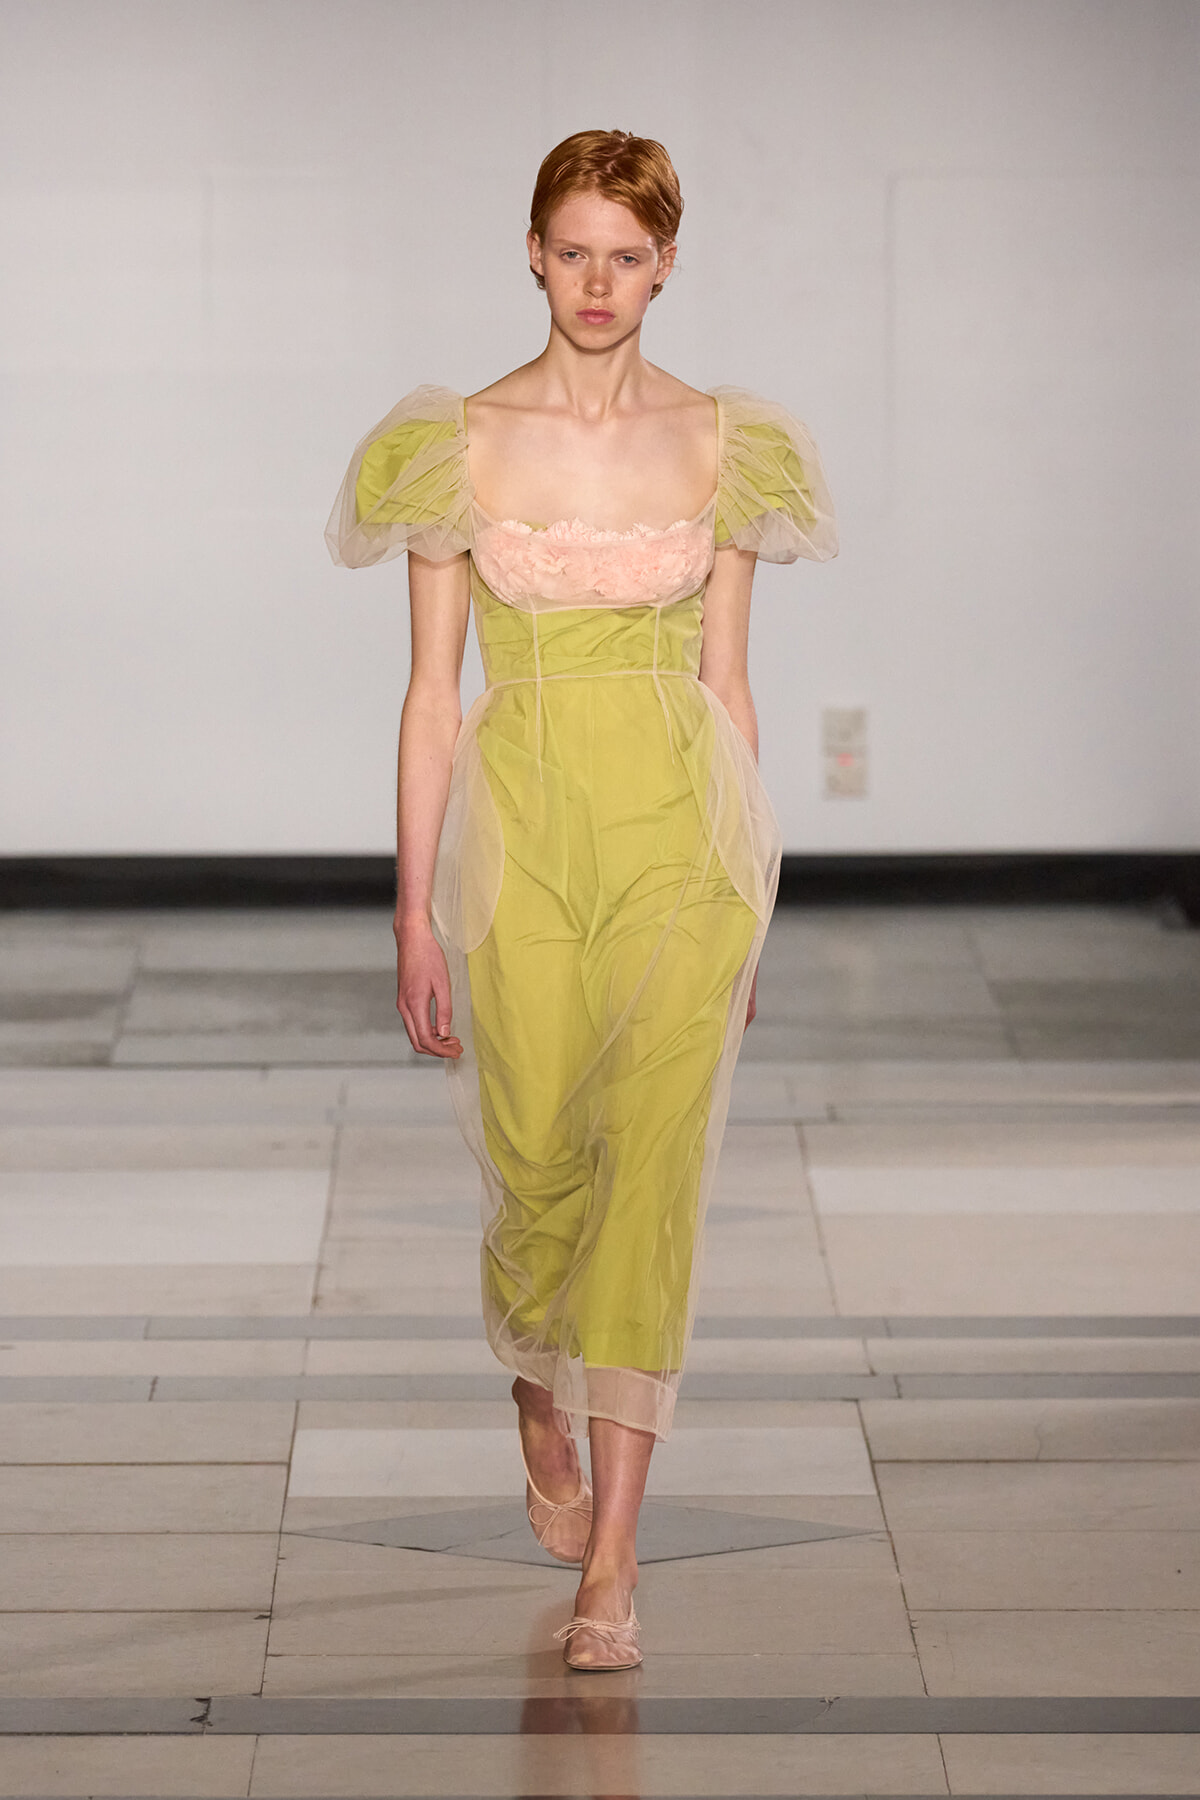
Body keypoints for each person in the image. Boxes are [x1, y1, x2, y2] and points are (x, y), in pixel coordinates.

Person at [326, 128, 836, 1671]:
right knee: (539, 1159)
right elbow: (430, 702)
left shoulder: (730, 444)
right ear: (532, 254)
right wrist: (415, 911)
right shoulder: (453, 442)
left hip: (684, 840)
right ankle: (537, 1387)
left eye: (629, 253)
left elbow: (730, 686)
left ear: (669, 261)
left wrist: (756, 889)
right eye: (573, 249)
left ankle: (616, 1563)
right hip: (527, 832)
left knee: (653, 1177)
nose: (599, 281)